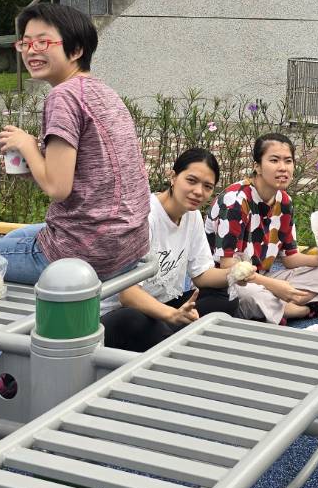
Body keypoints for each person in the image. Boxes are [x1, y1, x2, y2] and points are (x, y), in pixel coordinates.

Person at [0, 3, 151, 441]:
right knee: (9, 243)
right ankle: (14, 367)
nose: (32, 50)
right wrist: (36, 153)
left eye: (44, 42)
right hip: (124, 243)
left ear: (74, 49)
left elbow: (57, 186)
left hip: (80, 251)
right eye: (26, 42)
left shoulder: (62, 97)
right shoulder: (102, 91)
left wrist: (24, 144)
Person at [101, 148, 238, 353]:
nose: (199, 191)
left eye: (207, 186)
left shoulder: (192, 215)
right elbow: (127, 295)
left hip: (163, 306)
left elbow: (201, 275)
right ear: (173, 177)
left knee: (227, 296)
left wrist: (235, 274)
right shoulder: (144, 218)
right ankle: (175, 335)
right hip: (119, 314)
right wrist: (172, 315)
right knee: (133, 320)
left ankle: (169, 333)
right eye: (191, 180)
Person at [205, 133, 318, 324]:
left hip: (261, 278)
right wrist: (275, 286)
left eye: (288, 161)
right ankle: (300, 310)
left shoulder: (284, 201)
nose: (283, 167)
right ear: (257, 166)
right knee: (252, 296)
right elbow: (229, 267)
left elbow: (290, 258)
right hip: (226, 285)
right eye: (274, 160)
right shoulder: (234, 202)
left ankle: (278, 309)